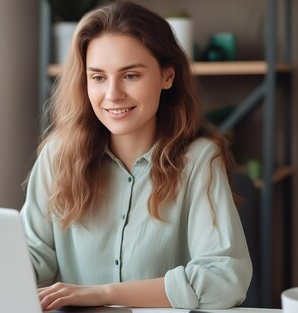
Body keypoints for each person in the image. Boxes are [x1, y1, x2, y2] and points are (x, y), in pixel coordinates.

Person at [21, 1, 252, 310]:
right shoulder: (56, 155)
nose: (113, 94)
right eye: (98, 77)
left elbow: (225, 279)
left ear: (167, 77)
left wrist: (103, 294)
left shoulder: (199, 159)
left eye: (130, 75)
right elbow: (32, 258)